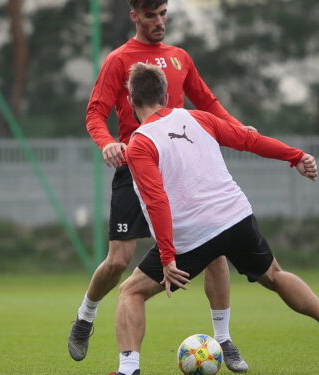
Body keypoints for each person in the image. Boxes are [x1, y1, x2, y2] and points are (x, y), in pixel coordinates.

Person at [107, 63, 319, 375]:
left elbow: (156, 201)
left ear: (129, 102)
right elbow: (250, 140)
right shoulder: (198, 118)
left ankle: (128, 370)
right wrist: (296, 156)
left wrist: (167, 255)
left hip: (191, 234)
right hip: (236, 216)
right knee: (274, 275)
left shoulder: (140, 142)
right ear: (166, 95)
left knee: (131, 292)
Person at [70, 0, 254, 372]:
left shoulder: (180, 58)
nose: (159, 22)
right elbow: (94, 111)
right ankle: (85, 316)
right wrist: (107, 142)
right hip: (133, 165)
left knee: (215, 248)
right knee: (118, 260)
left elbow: (207, 102)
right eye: (151, 15)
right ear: (134, 16)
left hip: (177, 168)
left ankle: (223, 338)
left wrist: (238, 128)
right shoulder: (118, 60)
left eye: (164, 14)